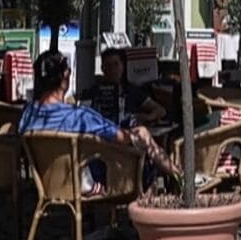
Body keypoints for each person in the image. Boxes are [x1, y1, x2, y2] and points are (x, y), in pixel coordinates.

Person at [19, 50, 176, 192]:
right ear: (66, 76)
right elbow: (122, 138)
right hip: (92, 181)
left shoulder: (28, 113)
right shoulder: (79, 117)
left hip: (47, 184)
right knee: (142, 137)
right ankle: (180, 178)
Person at [79, 48, 166, 126]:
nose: (112, 69)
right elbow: (81, 113)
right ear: (102, 68)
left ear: (122, 67)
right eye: (108, 65)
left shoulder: (132, 91)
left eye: (116, 64)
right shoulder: (93, 91)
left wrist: (147, 117)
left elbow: (161, 110)